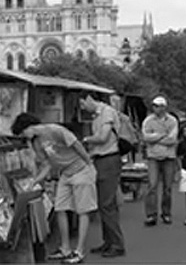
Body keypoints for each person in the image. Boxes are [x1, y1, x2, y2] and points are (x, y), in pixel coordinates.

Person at [12, 113, 96, 264]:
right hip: (65, 173)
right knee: (60, 208)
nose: (25, 137)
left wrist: (89, 164)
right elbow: (47, 164)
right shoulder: (35, 142)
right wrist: (34, 181)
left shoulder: (55, 130)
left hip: (80, 169)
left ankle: (79, 251)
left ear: (29, 127)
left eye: (24, 133)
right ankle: (65, 248)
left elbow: (77, 145)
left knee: (83, 210)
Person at [80, 93, 125, 259]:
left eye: (83, 103)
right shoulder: (97, 115)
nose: (82, 108)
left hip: (109, 159)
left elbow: (103, 137)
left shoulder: (106, 112)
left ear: (90, 98)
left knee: (107, 204)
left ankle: (117, 244)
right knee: (104, 203)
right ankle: (108, 241)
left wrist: (85, 140)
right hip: (100, 159)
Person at [141, 95, 179, 226]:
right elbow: (145, 137)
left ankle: (166, 213)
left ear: (164, 107)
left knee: (167, 187)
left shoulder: (172, 120)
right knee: (152, 186)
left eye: (159, 106)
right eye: (155, 106)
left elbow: (172, 140)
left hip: (169, 157)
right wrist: (162, 135)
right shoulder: (148, 121)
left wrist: (155, 137)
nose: (157, 108)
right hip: (153, 157)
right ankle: (151, 215)